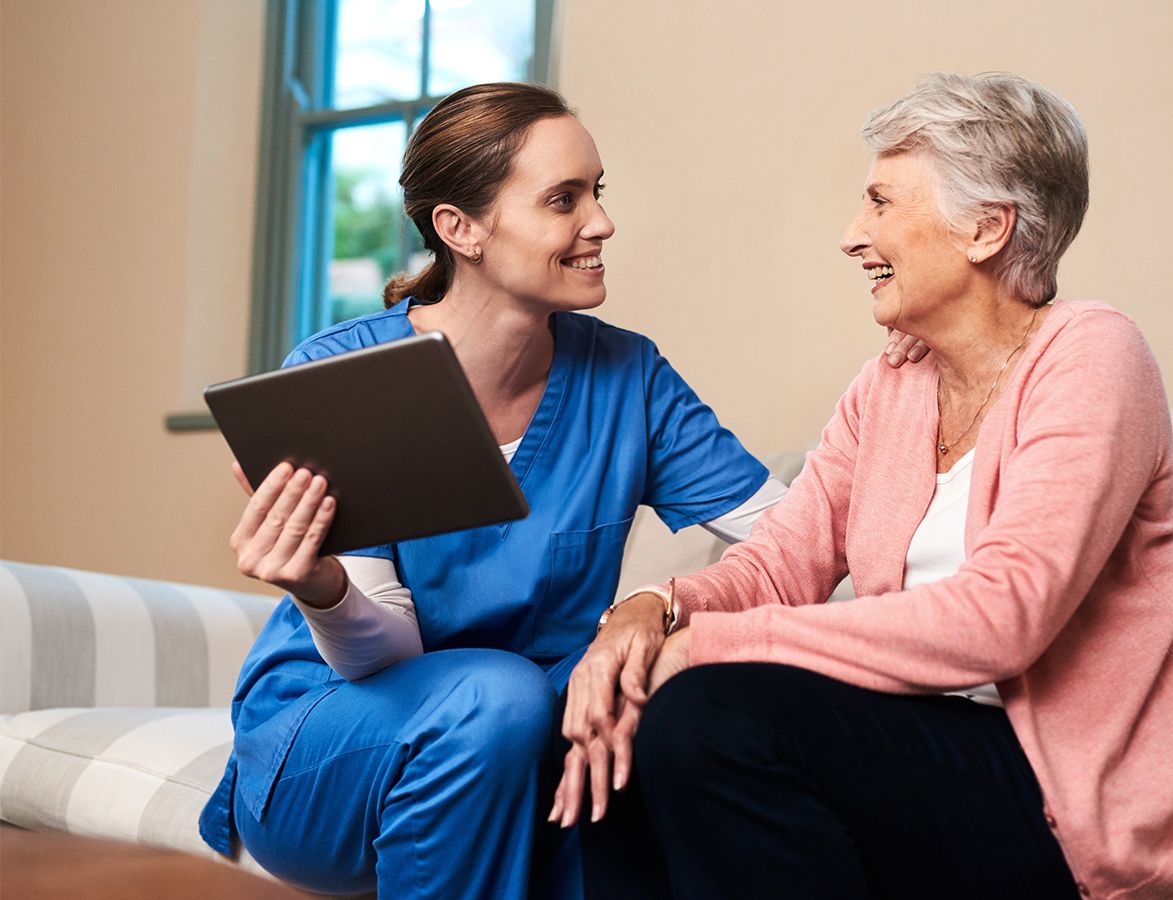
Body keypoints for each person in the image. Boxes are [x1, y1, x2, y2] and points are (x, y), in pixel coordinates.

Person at [197, 82, 923, 899]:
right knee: (499, 700)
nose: (601, 222)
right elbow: (387, 651)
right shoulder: (343, 379)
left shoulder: (628, 377)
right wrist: (319, 586)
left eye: (597, 193)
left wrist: (660, 624)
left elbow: (794, 540)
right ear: (459, 228)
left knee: (648, 720)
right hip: (338, 737)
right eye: (562, 200)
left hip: (533, 734)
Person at [559, 73, 1173, 900]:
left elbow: (1003, 617)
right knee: (607, 725)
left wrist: (711, 648)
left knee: (710, 717)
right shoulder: (891, 385)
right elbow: (777, 567)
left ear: (987, 228)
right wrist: (655, 610)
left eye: (880, 203)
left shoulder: (1095, 356)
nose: (852, 235)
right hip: (908, 746)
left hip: (1064, 795)